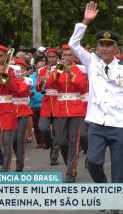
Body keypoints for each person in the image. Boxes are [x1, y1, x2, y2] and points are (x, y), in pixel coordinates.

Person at [68, 1, 123, 214]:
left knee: (119, 166)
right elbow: (73, 44)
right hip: (96, 122)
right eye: (101, 44)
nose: (104, 48)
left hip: (119, 124)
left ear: (116, 49)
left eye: (109, 45)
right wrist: (85, 21)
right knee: (93, 162)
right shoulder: (91, 61)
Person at [46, 44, 87, 182]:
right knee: (61, 141)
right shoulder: (56, 70)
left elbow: (82, 87)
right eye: (65, 55)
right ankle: (70, 164)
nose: (67, 58)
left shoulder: (80, 70)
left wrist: (70, 73)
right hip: (61, 110)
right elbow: (50, 85)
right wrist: (58, 72)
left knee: (73, 141)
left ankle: (70, 171)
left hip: (76, 109)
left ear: (74, 57)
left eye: (69, 55)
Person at [12, 58, 33, 172]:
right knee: (13, 140)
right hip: (11, 111)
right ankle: (19, 159)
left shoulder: (27, 80)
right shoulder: (9, 79)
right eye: (17, 69)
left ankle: (19, 164)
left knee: (20, 138)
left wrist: (16, 80)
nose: (19, 71)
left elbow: (21, 91)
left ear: (25, 70)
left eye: (21, 69)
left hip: (23, 111)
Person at [29, 55, 46, 150]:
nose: (40, 70)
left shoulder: (47, 76)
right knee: (36, 124)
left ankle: (45, 140)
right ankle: (40, 142)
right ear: (35, 67)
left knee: (43, 125)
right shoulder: (31, 78)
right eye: (39, 68)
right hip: (34, 105)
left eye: (42, 68)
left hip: (44, 105)